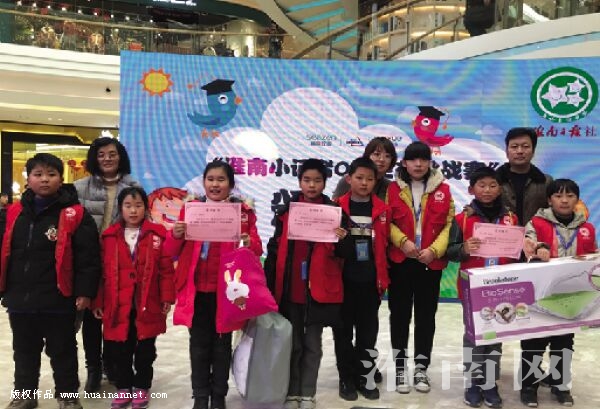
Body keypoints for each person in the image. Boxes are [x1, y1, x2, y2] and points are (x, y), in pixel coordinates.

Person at [0, 153, 101, 409]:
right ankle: (25, 395)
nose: (44, 179)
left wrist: (85, 292)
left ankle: (67, 397)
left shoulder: (75, 214)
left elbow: (88, 258)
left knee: (63, 351)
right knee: (24, 351)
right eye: (38, 174)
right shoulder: (14, 212)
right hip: (21, 299)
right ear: (29, 178)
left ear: (60, 178)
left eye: (51, 174)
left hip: (59, 298)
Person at [165, 161, 262, 409]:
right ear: (203, 182)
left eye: (221, 179)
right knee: (198, 346)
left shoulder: (242, 213)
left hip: (227, 293)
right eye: (210, 179)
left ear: (230, 184)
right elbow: (171, 251)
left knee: (221, 346)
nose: (215, 184)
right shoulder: (191, 210)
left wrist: (248, 242)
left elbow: (256, 249)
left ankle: (218, 396)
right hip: (196, 291)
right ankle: (200, 396)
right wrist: (175, 235)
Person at [264, 159, 346, 409]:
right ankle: (291, 392)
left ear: (325, 183)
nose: (312, 185)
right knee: (293, 345)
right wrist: (269, 288)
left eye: (317, 180)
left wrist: (343, 239)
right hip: (290, 291)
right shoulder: (287, 211)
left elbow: (346, 253)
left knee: (312, 346)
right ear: (299, 182)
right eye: (307, 180)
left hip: (317, 292)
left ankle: (308, 393)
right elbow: (274, 250)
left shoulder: (334, 212)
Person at [92, 186, 175, 409]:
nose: (133, 210)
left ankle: (141, 386)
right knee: (120, 349)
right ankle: (123, 387)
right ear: (120, 209)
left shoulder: (157, 234)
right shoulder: (109, 237)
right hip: (117, 304)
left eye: (138, 205)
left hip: (147, 302)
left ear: (146, 208)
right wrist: (98, 301)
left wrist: (167, 297)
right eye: (128, 205)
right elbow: (101, 273)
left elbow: (166, 270)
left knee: (146, 349)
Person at [519, 179, 596, 407]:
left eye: (570, 196)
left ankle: (560, 385)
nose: (564, 200)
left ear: (577, 200)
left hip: (571, 298)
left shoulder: (587, 228)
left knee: (564, 343)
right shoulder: (536, 222)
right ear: (549, 199)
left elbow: (591, 258)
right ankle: (529, 386)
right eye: (558, 196)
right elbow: (528, 245)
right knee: (534, 343)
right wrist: (538, 248)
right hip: (540, 296)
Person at [447, 166, 518, 408]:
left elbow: (518, 253)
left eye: (492, 185)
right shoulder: (462, 219)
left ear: (500, 189)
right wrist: (464, 248)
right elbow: (450, 251)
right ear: (471, 189)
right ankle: (473, 383)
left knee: (495, 335)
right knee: (473, 336)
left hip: (502, 287)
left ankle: (489, 383)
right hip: (472, 288)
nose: (487, 190)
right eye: (482, 185)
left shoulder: (511, 219)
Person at [74, 136, 141, 392]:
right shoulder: (80, 188)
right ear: (94, 158)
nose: (107, 159)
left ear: (120, 156)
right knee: (92, 318)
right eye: (101, 154)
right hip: (89, 262)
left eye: (112, 154)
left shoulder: (133, 186)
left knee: (116, 315)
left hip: (120, 261)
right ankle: (93, 368)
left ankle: (113, 364)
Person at [387, 141, 454, 394]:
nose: (418, 164)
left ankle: (421, 368)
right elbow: (385, 220)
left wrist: (434, 250)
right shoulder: (392, 189)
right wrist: (402, 241)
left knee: (426, 318)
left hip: (429, 262)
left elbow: (449, 224)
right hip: (401, 261)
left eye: (423, 159)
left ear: (430, 162)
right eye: (413, 159)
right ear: (404, 163)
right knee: (399, 316)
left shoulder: (443, 189)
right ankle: (400, 368)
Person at [333, 157, 390, 401]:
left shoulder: (383, 210)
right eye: (359, 178)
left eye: (369, 179)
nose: (364, 183)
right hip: (342, 283)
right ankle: (346, 378)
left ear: (376, 181)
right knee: (343, 333)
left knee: (368, 334)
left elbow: (386, 246)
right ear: (349, 179)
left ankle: (365, 376)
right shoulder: (336, 208)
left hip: (370, 283)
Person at [496, 127, 552, 227]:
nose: (520, 151)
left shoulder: (546, 182)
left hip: (536, 235)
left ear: (533, 151)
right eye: (514, 147)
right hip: (502, 234)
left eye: (525, 146)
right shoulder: (494, 181)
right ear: (507, 151)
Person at [332, 136, 397, 201]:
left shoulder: (391, 187)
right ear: (367, 156)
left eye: (387, 156)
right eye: (377, 154)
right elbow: (334, 205)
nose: (382, 159)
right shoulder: (349, 181)